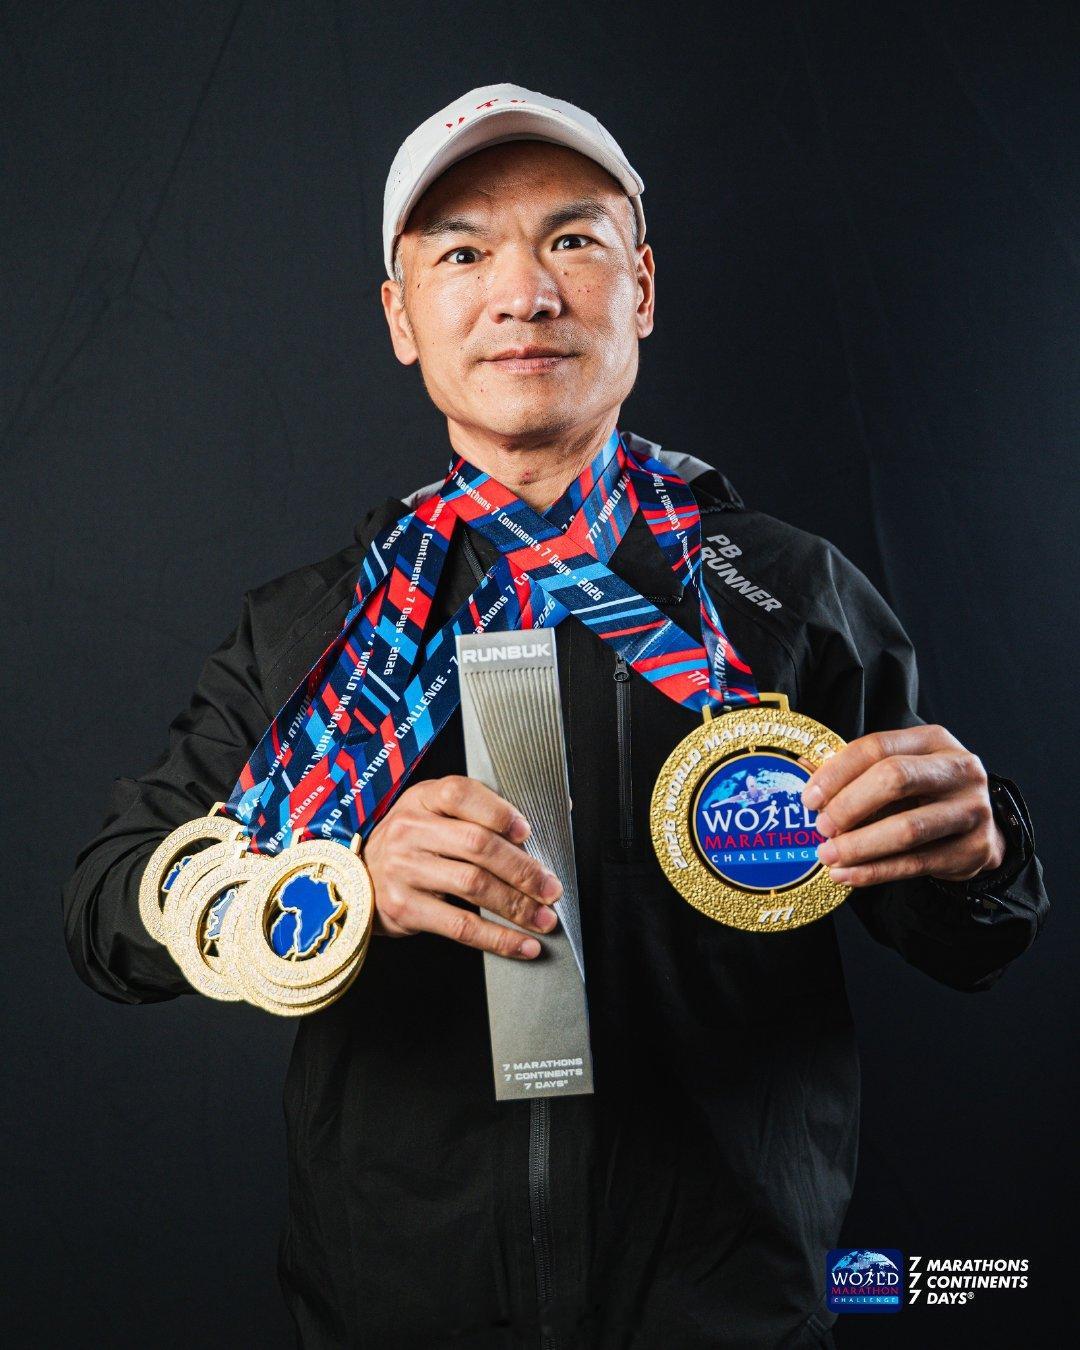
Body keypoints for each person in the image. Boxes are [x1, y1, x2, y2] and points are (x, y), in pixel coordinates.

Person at [62, 83, 1049, 1349]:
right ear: (401, 317)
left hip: (725, 1309)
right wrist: (332, 884)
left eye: (572, 241)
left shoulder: (789, 595)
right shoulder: (308, 631)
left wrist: (978, 854)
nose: (524, 294)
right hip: (396, 1314)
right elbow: (109, 914)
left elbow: (967, 939)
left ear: (643, 288)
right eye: (463, 254)